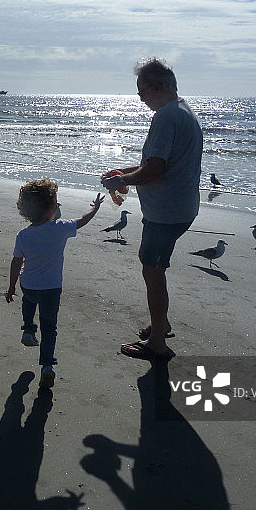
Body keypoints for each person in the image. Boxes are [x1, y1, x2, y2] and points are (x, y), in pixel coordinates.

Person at [101, 58, 203, 360]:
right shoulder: (184, 110)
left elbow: (154, 171)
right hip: (181, 207)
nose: (140, 98)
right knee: (153, 265)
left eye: (141, 91)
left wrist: (120, 181)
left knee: (153, 270)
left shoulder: (166, 116)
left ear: (157, 86)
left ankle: (157, 342)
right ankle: (162, 323)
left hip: (167, 212)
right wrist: (123, 173)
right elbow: (155, 164)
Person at [5, 178, 104, 389]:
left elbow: (16, 262)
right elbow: (82, 220)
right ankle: (47, 367)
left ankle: (29, 330)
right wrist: (95, 209)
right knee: (50, 328)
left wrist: (11, 286)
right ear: (51, 208)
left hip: (29, 285)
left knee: (28, 303)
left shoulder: (23, 235)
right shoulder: (61, 228)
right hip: (51, 288)